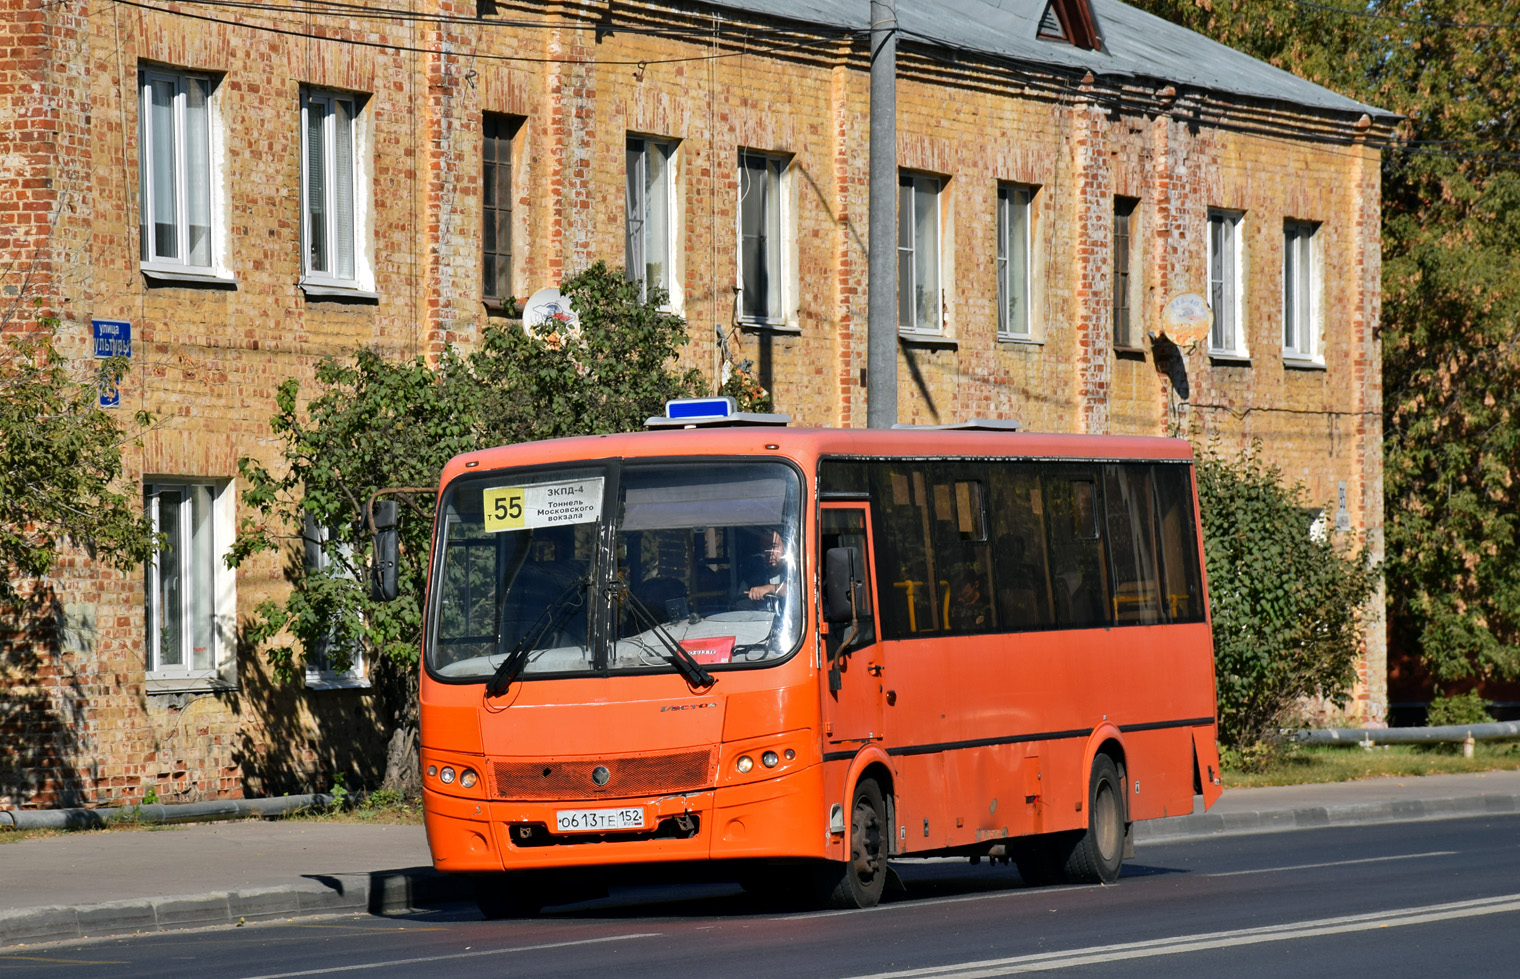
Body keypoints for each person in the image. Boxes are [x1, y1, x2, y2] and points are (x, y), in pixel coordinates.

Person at [739, 528, 790, 605]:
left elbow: (797, 590)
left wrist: (768, 588)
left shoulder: (795, 571)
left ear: (785, 548)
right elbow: (740, 605)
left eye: (774, 546)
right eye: (765, 547)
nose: (769, 552)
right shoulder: (752, 579)